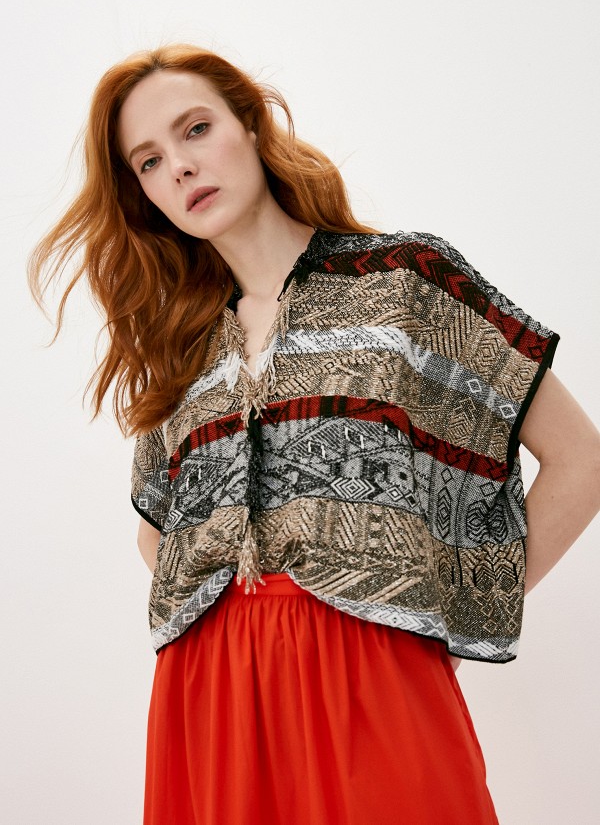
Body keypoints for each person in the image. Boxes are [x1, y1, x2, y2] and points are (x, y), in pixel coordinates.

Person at [29, 44, 600, 825]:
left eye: (195, 129)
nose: (181, 167)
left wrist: (450, 606)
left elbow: (582, 458)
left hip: (372, 678)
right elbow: (155, 532)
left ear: (251, 126)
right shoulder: (182, 349)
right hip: (211, 698)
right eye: (150, 162)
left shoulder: (405, 283)